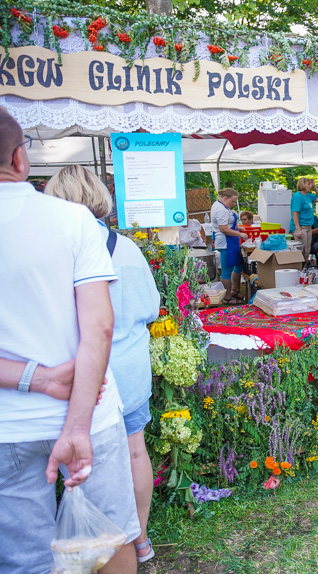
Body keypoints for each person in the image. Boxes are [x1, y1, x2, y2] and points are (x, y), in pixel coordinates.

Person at [0, 107, 139, 573]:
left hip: (8, 425)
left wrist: (33, 379)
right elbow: (99, 326)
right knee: (112, 538)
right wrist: (76, 426)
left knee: (26, 561)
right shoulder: (72, 221)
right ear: (21, 160)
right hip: (90, 413)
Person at [44, 165, 161, 562]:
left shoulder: (57, 250)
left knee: (80, 464)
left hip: (78, 378)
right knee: (134, 452)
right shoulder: (125, 247)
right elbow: (151, 308)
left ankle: (90, 550)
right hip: (129, 369)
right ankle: (138, 540)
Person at [210, 187, 248, 305]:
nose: (233, 204)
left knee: (238, 264)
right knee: (227, 270)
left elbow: (228, 224)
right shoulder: (220, 209)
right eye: (232, 201)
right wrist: (240, 234)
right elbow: (223, 228)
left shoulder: (222, 206)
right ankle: (226, 297)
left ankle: (235, 290)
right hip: (226, 242)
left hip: (231, 241)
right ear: (225, 198)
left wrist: (237, 227)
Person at [291, 177, 315, 262]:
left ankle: (304, 268)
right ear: (302, 185)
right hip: (302, 227)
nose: (310, 186)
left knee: (307, 251)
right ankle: (301, 270)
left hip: (309, 227)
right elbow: (295, 214)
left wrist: (315, 187)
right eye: (308, 184)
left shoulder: (308, 196)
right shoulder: (298, 196)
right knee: (302, 252)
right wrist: (298, 228)